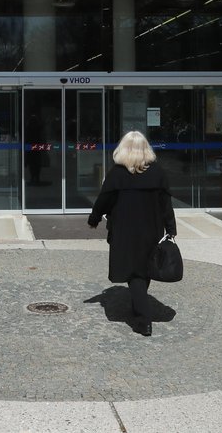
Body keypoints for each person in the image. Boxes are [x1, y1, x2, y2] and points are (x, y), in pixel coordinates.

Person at [87, 131, 176, 337]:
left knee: (134, 272)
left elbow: (104, 200)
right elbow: (166, 204)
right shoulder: (157, 173)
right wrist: (171, 228)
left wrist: (94, 219)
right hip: (152, 228)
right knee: (144, 267)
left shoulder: (118, 173)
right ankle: (138, 306)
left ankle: (143, 320)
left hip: (125, 230)